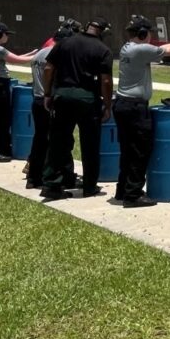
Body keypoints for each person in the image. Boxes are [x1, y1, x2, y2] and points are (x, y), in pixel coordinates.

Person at [114, 15, 170, 208]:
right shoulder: (140, 49)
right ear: (143, 34)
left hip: (123, 105)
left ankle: (123, 189)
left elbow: (164, 48)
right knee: (140, 150)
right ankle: (133, 195)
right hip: (135, 107)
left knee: (128, 150)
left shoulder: (127, 47)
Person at [39, 17, 114, 202]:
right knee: (90, 145)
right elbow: (105, 81)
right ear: (103, 32)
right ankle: (89, 186)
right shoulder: (103, 50)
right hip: (88, 99)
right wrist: (107, 105)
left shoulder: (64, 43)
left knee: (57, 142)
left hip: (62, 97)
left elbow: (48, 69)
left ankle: (52, 185)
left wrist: (47, 93)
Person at [26, 19, 81, 190]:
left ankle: (34, 177)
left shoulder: (39, 54)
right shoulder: (58, 55)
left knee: (40, 139)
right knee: (62, 141)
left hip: (37, 99)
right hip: (50, 101)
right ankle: (65, 176)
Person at [0, 21, 38, 162]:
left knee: (1, 118)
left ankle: (1, 148)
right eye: (6, 34)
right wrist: (40, 55)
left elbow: (14, 58)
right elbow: (18, 60)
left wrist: (31, 53)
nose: (7, 37)